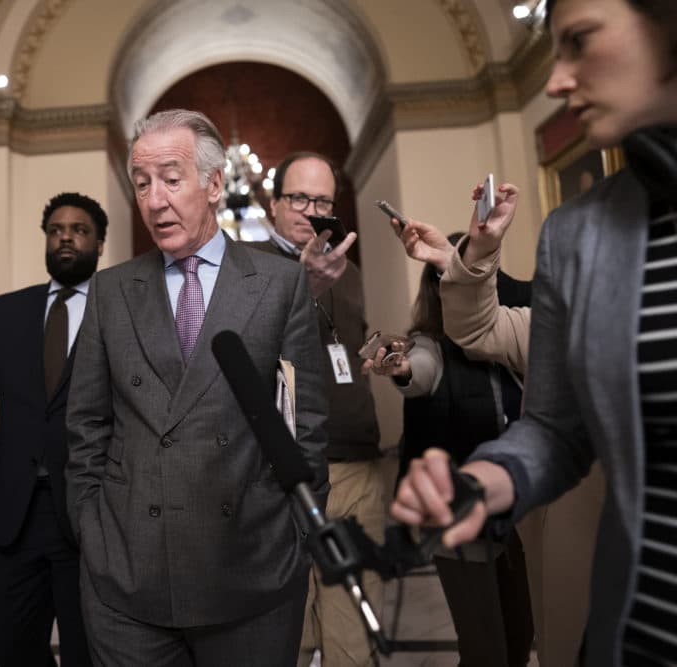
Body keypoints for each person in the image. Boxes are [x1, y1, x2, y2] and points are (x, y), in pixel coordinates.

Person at [392, 1, 677, 664]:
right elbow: (553, 424)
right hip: (633, 633)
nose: (555, 80)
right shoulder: (578, 235)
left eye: (579, 42)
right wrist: (480, 481)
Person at [65, 109, 328, 666]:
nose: (154, 199)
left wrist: (297, 541)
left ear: (213, 185)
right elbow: (86, 425)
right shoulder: (112, 291)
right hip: (128, 579)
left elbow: (307, 429)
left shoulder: (279, 285)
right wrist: (93, 531)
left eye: (171, 178)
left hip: (251, 575)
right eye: (141, 183)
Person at [365, 233, 533, 667]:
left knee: (520, 636)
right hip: (457, 520)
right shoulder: (430, 345)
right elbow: (417, 371)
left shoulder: (505, 332)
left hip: (512, 514)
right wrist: (400, 368)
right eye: (453, 277)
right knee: (485, 650)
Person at [0, 191, 107, 666]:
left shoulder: (121, 310)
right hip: (10, 513)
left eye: (79, 230)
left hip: (91, 513)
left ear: (99, 245)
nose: (66, 237)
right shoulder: (4, 313)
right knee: (6, 637)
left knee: (89, 649)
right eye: (56, 230)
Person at [244, 151, 383, 667]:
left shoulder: (349, 270)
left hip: (358, 465)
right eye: (298, 197)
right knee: (286, 639)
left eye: (322, 199)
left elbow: (349, 345)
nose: (310, 210)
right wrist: (303, 287)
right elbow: (244, 356)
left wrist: (390, 354)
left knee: (354, 642)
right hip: (280, 479)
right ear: (274, 204)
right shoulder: (245, 266)